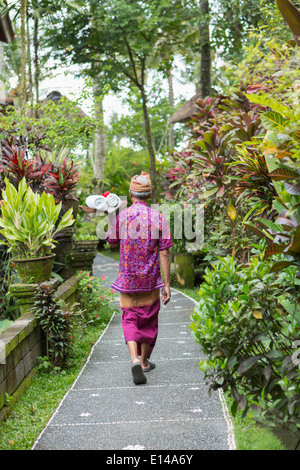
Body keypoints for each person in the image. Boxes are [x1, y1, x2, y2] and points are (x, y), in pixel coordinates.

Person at [106, 172, 173, 385]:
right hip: (150, 280)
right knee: (148, 319)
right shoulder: (159, 217)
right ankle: (144, 361)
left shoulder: (122, 216)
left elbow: (111, 242)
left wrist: (110, 215)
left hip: (127, 279)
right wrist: (167, 284)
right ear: (149, 194)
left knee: (129, 318)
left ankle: (134, 358)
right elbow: (164, 252)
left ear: (130, 193)